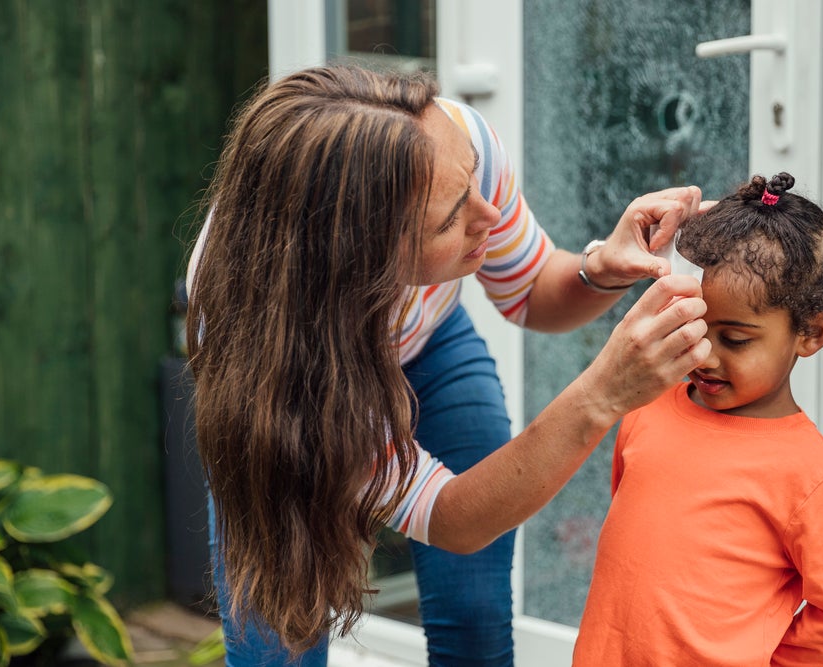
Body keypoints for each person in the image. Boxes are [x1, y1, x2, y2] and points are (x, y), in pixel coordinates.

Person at [185, 64, 711, 667]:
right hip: (296, 391)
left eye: (473, 182)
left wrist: (602, 268)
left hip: (430, 347)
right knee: (275, 640)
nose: (488, 214)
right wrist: (604, 392)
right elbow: (451, 516)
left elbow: (531, 288)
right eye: (451, 216)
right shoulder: (256, 333)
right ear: (360, 255)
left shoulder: (454, 142)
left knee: (476, 615)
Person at [573, 172, 823, 666]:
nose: (705, 354)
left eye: (735, 339)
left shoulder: (812, 477)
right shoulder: (647, 406)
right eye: (691, 323)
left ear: (811, 332)